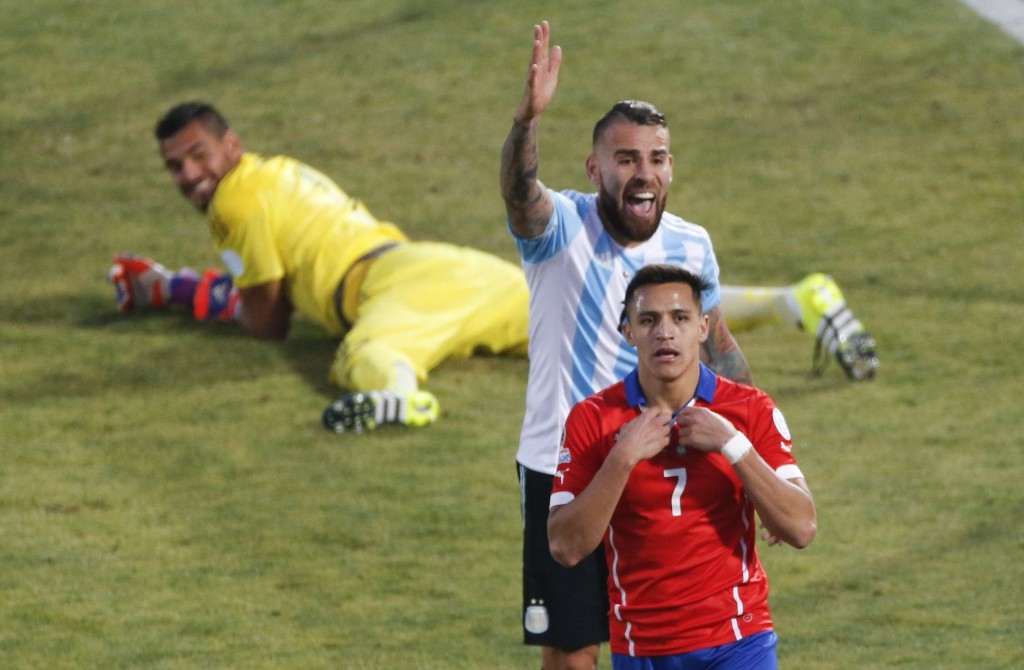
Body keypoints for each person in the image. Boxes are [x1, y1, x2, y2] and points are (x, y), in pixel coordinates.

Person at [499, 21, 855, 670]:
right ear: (595, 167)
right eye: (626, 158)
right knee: (574, 649)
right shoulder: (562, 227)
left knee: (676, 629)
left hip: (673, 458)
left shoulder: (691, 244)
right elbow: (521, 200)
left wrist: (762, 466)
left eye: (656, 158)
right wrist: (527, 121)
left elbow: (717, 349)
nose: (643, 173)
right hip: (567, 458)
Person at [109, 101, 530, 432]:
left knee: (366, 355)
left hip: (396, 290)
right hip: (452, 265)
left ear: (231, 145)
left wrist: (178, 291)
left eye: (198, 155)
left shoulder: (232, 201)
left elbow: (268, 322)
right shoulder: (278, 171)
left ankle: (398, 398)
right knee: (568, 322)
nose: (188, 174)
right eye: (175, 166)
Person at [548, 264, 817, 668]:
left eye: (680, 318)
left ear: (703, 328)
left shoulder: (749, 410)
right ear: (629, 333)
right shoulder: (593, 420)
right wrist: (622, 458)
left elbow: (800, 527)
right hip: (643, 648)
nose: (665, 332)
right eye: (648, 320)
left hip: (740, 641)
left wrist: (734, 446)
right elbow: (564, 547)